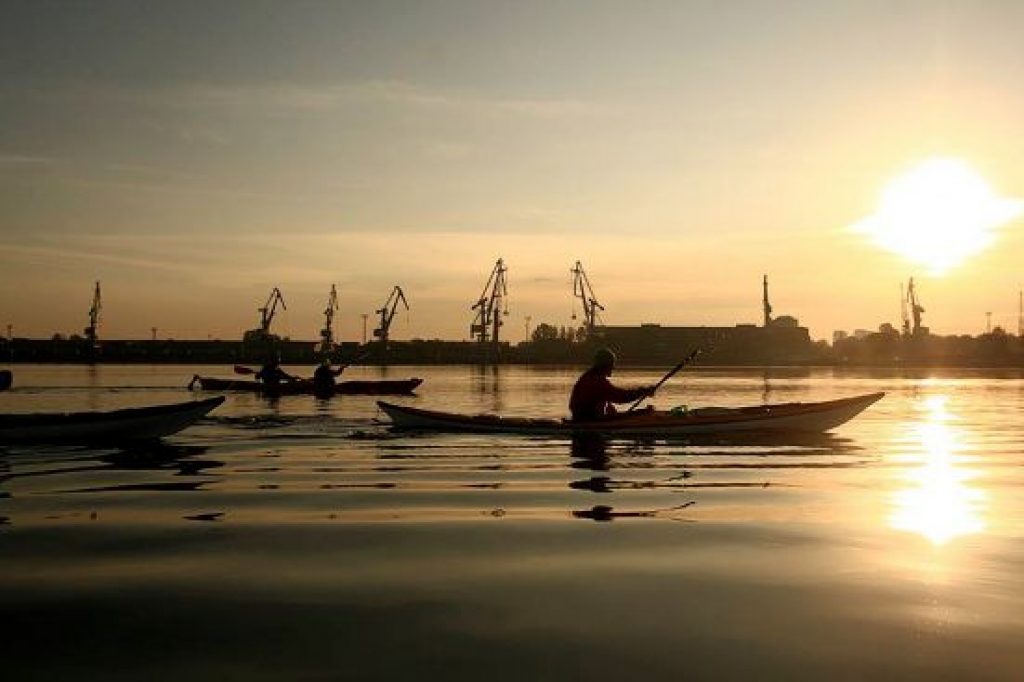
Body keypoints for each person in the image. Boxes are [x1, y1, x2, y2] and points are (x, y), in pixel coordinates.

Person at [569, 348, 656, 421]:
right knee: (645, 413)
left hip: (585, 418)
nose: (612, 369)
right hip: (590, 421)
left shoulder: (588, 376)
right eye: (611, 366)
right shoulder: (597, 381)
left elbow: (611, 396)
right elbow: (621, 397)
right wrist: (643, 391)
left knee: (643, 412)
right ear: (606, 366)